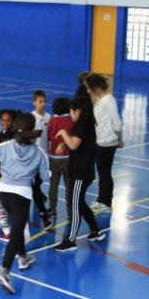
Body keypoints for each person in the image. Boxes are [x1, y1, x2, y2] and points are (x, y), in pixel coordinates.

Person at [0, 113, 50, 295]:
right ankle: (4, 270)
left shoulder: (5, 146)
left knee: (17, 228)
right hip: (21, 196)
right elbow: (45, 176)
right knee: (16, 232)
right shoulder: (39, 152)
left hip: (3, 193)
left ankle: (24, 257)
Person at [54, 96, 106, 251]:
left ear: (78, 110)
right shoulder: (87, 123)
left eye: (71, 111)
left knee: (75, 205)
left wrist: (63, 133)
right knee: (80, 203)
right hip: (84, 170)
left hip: (80, 173)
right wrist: (66, 142)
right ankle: (95, 231)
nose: (70, 114)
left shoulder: (82, 124)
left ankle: (70, 241)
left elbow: (74, 145)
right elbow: (78, 144)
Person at [86, 73, 122, 212]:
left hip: (108, 141)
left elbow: (116, 121)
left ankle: (107, 202)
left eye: (89, 88)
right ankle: (101, 199)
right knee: (101, 172)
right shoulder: (100, 99)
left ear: (96, 87)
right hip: (100, 140)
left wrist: (119, 139)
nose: (88, 91)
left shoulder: (108, 100)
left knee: (105, 172)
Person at [47, 97, 74, 218]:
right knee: (69, 185)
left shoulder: (52, 120)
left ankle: (52, 209)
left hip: (54, 157)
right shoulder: (71, 120)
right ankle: (70, 211)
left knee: (53, 184)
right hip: (68, 157)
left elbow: (48, 137)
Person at [30, 90, 53, 228]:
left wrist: (49, 147)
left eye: (44, 101)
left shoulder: (49, 117)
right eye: (40, 101)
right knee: (35, 177)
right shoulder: (32, 118)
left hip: (45, 152)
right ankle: (36, 193)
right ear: (34, 103)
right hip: (34, 154)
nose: (43, 104)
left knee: (40, 177)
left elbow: (49, 134)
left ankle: (37, 191)